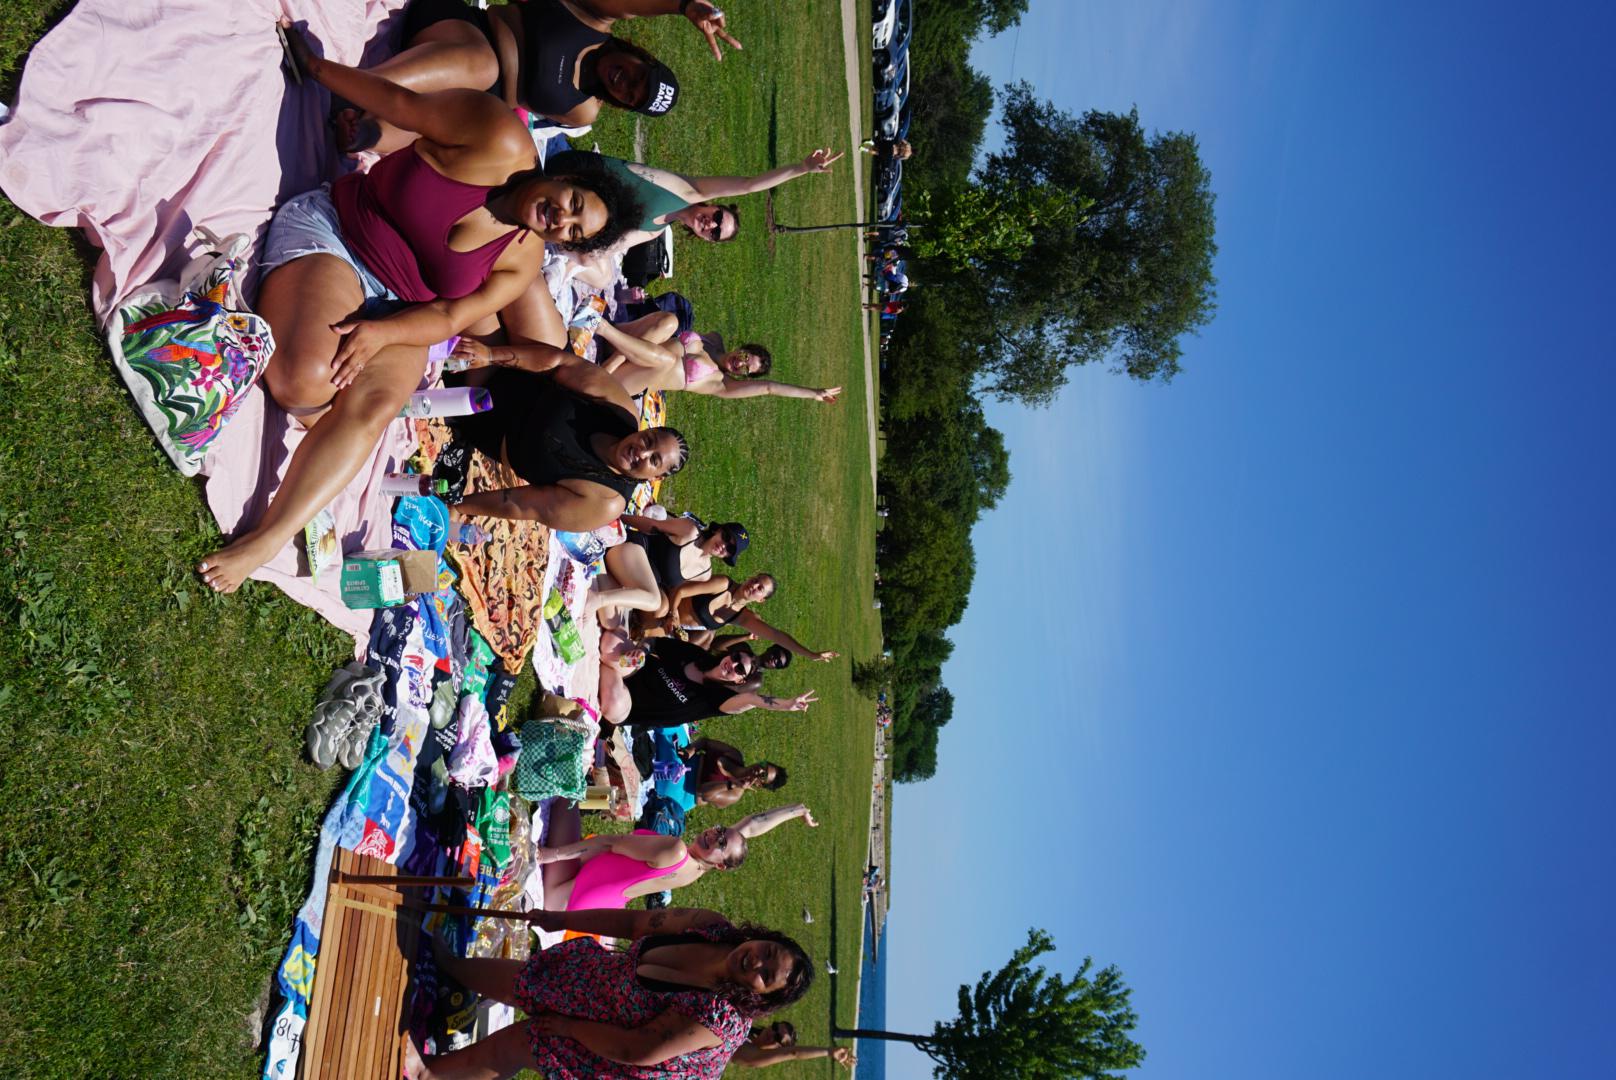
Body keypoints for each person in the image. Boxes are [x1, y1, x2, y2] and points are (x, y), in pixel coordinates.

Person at [197, 22, 637, 593]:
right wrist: (322, 70)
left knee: (377, 402)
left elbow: (453, 318)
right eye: (574, 202)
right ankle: (321, 423)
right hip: (339, 236)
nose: (562, 218)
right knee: (301, 384)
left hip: (406, 309)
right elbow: (403, 104)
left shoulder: (523, 259)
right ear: (568, 175)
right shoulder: (500, 140)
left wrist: (383, 336)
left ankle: (268, 537)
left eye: (575, 230)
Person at [409, 906, 813, 1079]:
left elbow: (634, 1050)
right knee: (530, 979)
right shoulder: (712, 927)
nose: (756, 963)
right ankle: (450, 967)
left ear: (762, 998)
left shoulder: (720, 1018)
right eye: (768, 952)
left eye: (766, 976)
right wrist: (559, 918)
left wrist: (568, 1028)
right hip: (611, 984)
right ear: (764, 938)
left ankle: (428, 1074)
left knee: (527, 1041)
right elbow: (637, 922)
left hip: (626, 1061)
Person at [331, 0, 740, 155]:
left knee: (444, 123)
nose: (624, 83)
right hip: (457, 26)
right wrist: (684, 6)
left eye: (631, 95)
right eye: (638, 77)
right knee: (482, 65)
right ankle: (356, 87)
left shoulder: (583, 112)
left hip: (468, 97)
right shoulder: (596, 17)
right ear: (642, 57)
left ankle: (363, 132)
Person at [444, 342, 688, 531]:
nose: (642, 452)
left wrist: (460, 506)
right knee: (501, 288)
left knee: (465, 314)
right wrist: (490, 354)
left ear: (656, 477)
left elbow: (524, 504)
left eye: (654, 460)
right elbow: (562, 362)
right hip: (508, 368)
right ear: (647, 429)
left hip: (483, 414)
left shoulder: (605, 501)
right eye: (648, 440)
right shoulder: (621, 411)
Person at [554, 146, 845, 260]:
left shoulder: (655, 230)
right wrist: (801, 168)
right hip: (574, 174)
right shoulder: (690, 191)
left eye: (715, 233)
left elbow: (608, 247)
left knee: (598, 270)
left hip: (569, 212)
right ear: (713, 205)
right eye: (718, 217)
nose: (712, 225)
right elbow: (748, 185)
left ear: (706, 239)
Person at [537, 800, 818, 909]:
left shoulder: (677, 850)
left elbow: (609, 842)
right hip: (593, 901)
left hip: (565, 894)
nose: (714, 835)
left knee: (566, 797)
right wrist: (797, 811)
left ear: (720, 865)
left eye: (720, 843)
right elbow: (752, 826)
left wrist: (551, 855)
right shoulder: (699, 866)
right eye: (720, 830)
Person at [588, 315, 843, 403]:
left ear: (743, 377)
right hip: (625, 351)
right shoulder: (713, 340)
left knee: (667, 362)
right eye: (745, 357)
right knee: (670, 321)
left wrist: (813, 393)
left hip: (625, 379)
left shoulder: (722, 384)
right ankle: (608, 338)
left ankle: (601, 332)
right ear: (742, 347)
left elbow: (768, 388)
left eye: (745, 369)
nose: (740, 363)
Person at [598, 635, 817, 729]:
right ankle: (600, 669)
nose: (733, 665)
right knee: (611, 642)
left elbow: (751, 699)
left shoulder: (715, 701)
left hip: (627, 705)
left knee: (613, 705)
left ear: (740, 680)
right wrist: (643, 650)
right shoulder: (696, 655)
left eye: (739, 670)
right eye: (736, 658)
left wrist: (786, 704)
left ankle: (599, 669)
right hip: (628, 673)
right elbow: (655, 642)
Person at [586, 513, 747, 626]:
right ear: (719, 530)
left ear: (729, 556)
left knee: (611, 622)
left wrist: (672, 612)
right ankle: (597, 597)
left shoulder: (704, 574)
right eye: (725, 537)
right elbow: (651, 525)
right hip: (631, 547)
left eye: (730, 549)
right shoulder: (690, 532)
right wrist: (616, 516)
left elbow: (673, 588)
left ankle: (599, 570)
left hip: (634, 574)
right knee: (654, 600)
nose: (723, 545)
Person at [650, 575, 838, 660]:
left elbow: (777, 636)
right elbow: (681, 590)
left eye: (759, 589)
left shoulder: (743, 617)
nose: (754, 586)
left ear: (761, 599)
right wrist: (671, 614)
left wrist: (811, 654)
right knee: (649, 636)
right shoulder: (723, 584)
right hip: (664, 605)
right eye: (756, 581)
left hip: (670, 629)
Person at [733, 1022, 856, 1069]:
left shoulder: (750, 1054)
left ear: (779, 1050)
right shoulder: (744, 1027)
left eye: (778, 1038)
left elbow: (794, 1053)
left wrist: (828, 1051)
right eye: (775, 1028)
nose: (772, 1033)